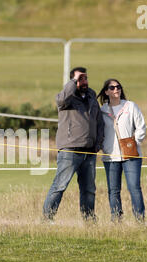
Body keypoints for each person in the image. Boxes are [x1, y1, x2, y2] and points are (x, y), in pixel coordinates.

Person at [43, 67, 104, 222]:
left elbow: (99, 121)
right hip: (70, 150)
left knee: (89, 190)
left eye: (86, 78)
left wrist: (97, 144)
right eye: (80, 78)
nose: (84, 81)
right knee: (60, 186)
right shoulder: (67, 98)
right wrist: (73, 81)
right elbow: (60, 100)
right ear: (73, 81)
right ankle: (47, 219)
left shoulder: (91, 96)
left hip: (89, 151)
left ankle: (89, 220)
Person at [97, 79, 146, 223]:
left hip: (131, 155)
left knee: (134, 188)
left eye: (118, 87)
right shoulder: (102, 111)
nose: (116, 90)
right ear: (106, 92)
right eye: (112, 88)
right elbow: (99, 132)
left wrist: (133, 144)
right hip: (110, 156)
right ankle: (116, 220)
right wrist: (102, 147)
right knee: (113, 190)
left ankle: (140, 220)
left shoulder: (130, 106)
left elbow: (141, 127)